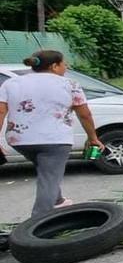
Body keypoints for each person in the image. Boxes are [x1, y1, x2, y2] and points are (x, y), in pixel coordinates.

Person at [0, 50, 101, 219]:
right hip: (55, 140)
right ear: (54, 66)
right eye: (64, 63)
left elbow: (1, 112)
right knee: (49, 177)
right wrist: (93, 138)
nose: (66, 67)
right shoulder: (69, 84)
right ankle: (37, 225)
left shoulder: (11, 83)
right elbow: (84, 114)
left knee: (47, 171)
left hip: (19, 140)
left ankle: (58, 200)